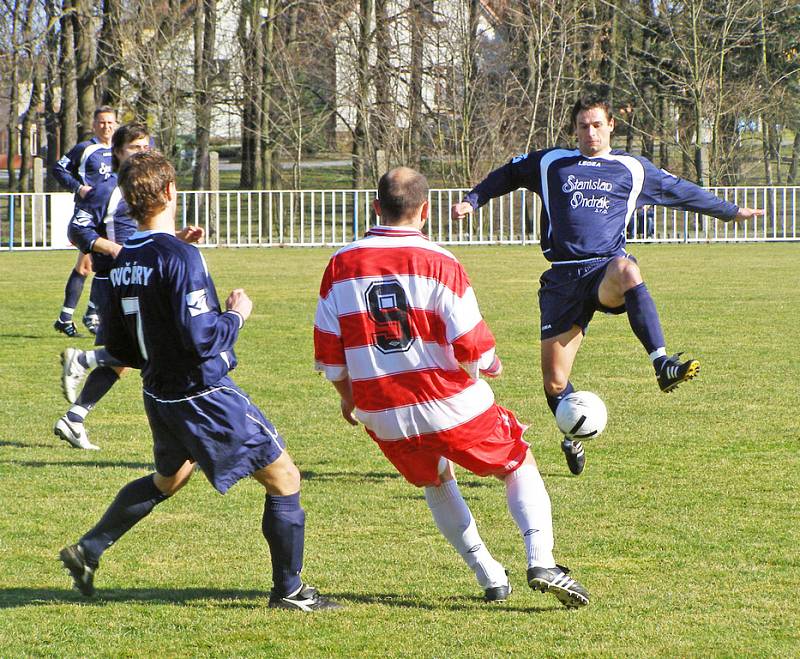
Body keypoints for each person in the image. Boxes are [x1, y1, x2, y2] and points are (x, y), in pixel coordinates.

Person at [59, 150, 339, 612]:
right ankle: (290, 592)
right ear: (171, 192)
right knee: (285, 478)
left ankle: (88, 550)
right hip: (203, 393)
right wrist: (236, 314)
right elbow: (201, 336)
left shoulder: (120, 261)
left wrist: (174, 255)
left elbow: (122, 348)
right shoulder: (180, 255)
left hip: (158, 393)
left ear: (127, 200)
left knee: (168, 481)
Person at [314, 167, 589, 608]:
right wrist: (491, 364)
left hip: (382, 410)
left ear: (374, 207)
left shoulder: (340, 265)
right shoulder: (440, 261)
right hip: (447, 402)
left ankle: (488, 573)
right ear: (425, 210)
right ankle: (542, 560)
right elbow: (471, 345)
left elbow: (330, 354)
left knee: (436, 480)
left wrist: (351, 401)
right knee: (517, 460)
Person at [451, 89, 764, 476]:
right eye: (583, 126)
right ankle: (573, 434)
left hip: (604, 271)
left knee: (629, 270)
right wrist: (473, 199)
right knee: (554, 383)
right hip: (563, 280)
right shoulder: (552, 162)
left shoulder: (632, 168)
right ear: (575, 129)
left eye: (598, 125)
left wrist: (730, 212)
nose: (591, 133)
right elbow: (508, 174)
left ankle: (661, 363)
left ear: (611, 125)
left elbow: (681, 191)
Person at [54, 123, 202, 450]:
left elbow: (146, 238)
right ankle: (82, 367)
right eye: (134, 148)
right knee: (150, 350)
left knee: (136, 353)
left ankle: (75, 415)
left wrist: (177, 239)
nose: (142, 152)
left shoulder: (146, 189)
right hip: (117, 281)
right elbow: (77, 231)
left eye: (146, 146)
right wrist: (116, 250)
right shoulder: (105, 190)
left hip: (142, 277)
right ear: (118, 153)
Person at [52, 106, 118, 336]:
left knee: (91, 265)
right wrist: (78, 188)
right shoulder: (86, 149)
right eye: (102, 122)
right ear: (94, 125)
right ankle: (86, 315)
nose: (106, 127)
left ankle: (70, 317)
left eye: (110, 122)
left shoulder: (120, 150)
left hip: (110, 217)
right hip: (89, 216)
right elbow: (58, 169)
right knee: (92, 265)